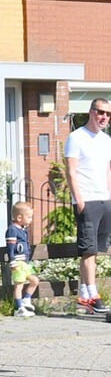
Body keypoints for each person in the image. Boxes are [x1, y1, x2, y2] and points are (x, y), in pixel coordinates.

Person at [63, 98, 111, 315]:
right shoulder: (76, 137)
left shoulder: (106, 140)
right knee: (88, 250)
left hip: (104, 199)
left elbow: (107, 170)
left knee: (98, 249)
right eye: (101, 112)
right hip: (87, 200)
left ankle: (83, 294)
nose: (104, 117)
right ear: (91, 112)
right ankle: (92, 295)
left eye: (108, 114)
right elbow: (71, 171)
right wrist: (79, 199)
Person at [5, 201, 40, 317]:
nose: (30, 220)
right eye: (29, 217)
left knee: (34, 280)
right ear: (19, 217)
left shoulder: (23, 230)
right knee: (19, 285)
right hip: (18, 262)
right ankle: (18, 308)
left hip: (25, 262)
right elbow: (10, 247)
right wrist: (12, 260)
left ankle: (26, 300)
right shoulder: (12, 230)